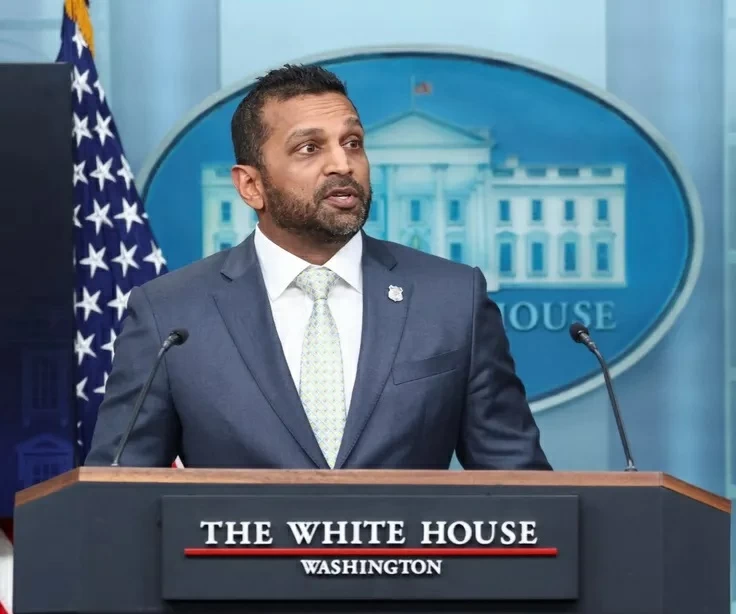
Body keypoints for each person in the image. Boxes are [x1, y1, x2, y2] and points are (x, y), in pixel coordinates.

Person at [85, 64, 551, 471]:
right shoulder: (170, 314)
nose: (342, 164)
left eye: (353, 143)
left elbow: (522, 489)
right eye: (310, 148)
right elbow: (118, 495)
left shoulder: (453, 298)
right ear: (250, 186)